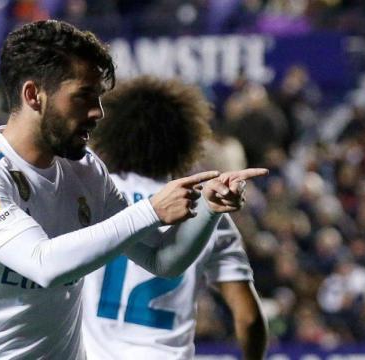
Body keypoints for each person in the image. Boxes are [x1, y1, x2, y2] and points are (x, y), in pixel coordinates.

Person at [0, 20, 267, 359]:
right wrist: (150, 210)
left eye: (99, 97)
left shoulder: (86, 170)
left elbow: (162, 259)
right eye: (83, 97)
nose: (98, 112)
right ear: (33, 95)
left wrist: (208, 208)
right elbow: (43, 264)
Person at [83, 76, 268, 359]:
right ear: (186, 143)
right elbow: (249, 318)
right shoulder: (209, 211)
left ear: (112, 134)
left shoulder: (95, 195)